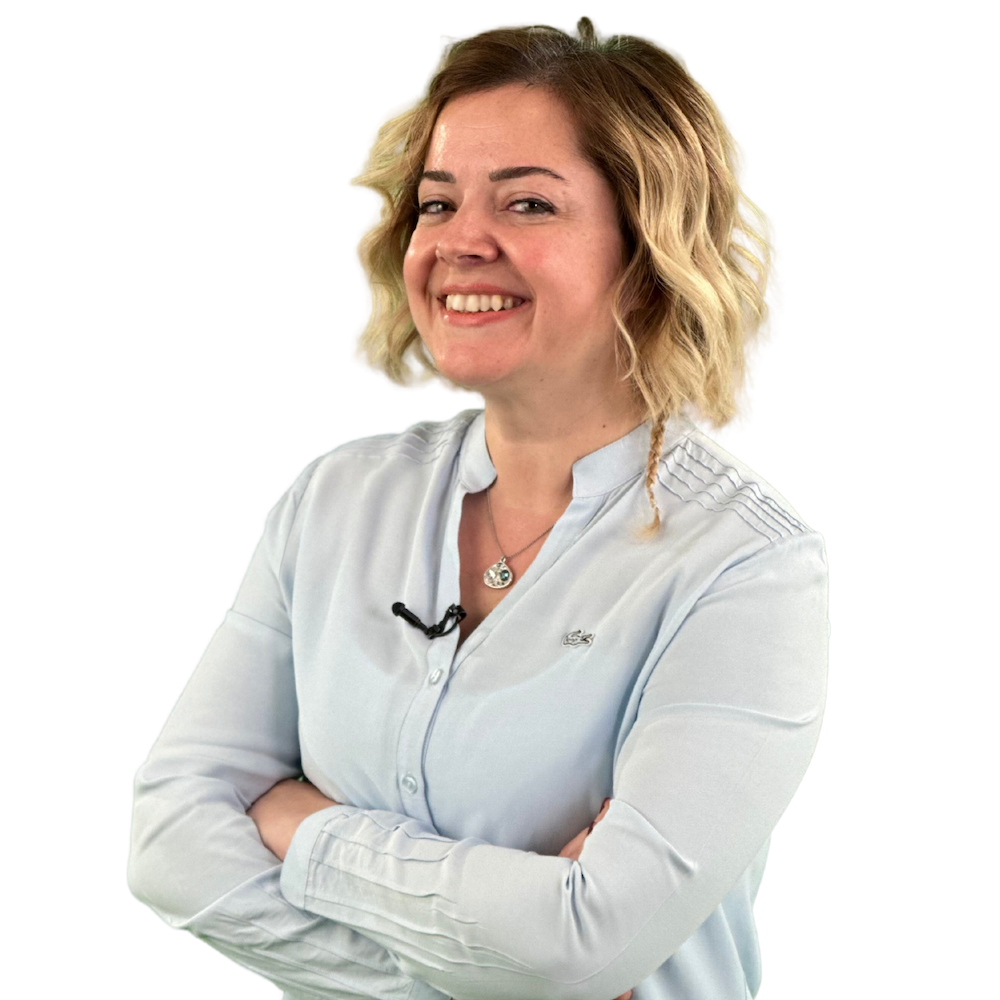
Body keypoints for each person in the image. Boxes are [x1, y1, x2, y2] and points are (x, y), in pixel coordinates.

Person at [127, 17, 826, 1000]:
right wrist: (501, 961)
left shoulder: (748, 563)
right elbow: (167, 838)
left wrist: (299, 824)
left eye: (528, 203)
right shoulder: (335, 499)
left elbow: (585, 943)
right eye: (437, 202)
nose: (460, 242)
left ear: (650, 250)